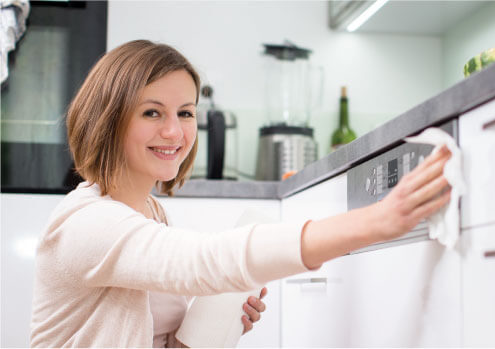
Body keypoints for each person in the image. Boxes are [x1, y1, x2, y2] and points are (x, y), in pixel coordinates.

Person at [29, 40, 452, 347]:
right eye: (152, 112)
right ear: (108, 119)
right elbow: (204, 261)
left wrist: (214, 326)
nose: (175, 131)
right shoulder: (86, 222)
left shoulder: (150, 213)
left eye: (186, 113)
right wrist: (375, 221)